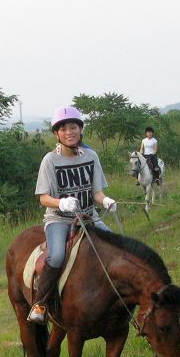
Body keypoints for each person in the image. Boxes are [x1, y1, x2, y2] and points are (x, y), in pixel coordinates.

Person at [28, 106, 117, 324]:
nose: (70, 132)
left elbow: (96, 192)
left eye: (74, 127)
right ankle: (40, 304)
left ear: (80, 130)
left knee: (116, 247)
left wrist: (105, 200)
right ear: (57, 134)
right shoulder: (50, 160)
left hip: (89, 216)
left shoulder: (91, 155)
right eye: (64, 128)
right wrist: (62, 203)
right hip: (59, 219)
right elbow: (43, 198)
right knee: (57, 256)